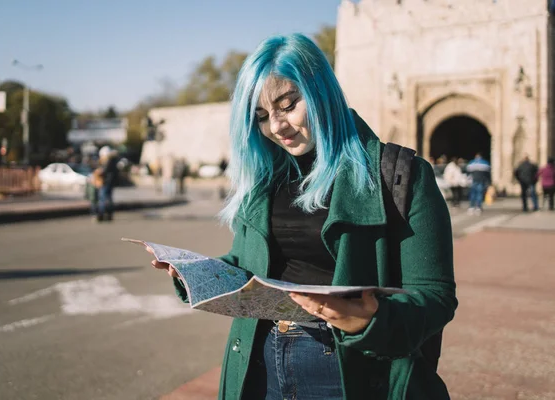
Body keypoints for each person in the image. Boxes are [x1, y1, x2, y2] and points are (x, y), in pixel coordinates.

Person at [152, 34, 457, 399]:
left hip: (351, 367)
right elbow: (247, 264)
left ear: (321, 91)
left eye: (288, 104)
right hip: (259, 361)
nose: (277, 127)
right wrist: (198, 273)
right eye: (262, 117)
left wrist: (369, 321)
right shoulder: (265, 178)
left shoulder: (399, 173)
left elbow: (435, 295)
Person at [95, 146, 119, 221]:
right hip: (110, 182)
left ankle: (101, 214)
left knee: (102, 198)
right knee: (108, 198)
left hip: (105, 182)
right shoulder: (113, 161)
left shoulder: (108, 161)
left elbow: (104, 171)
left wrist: (98, 172)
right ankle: (109, 214)